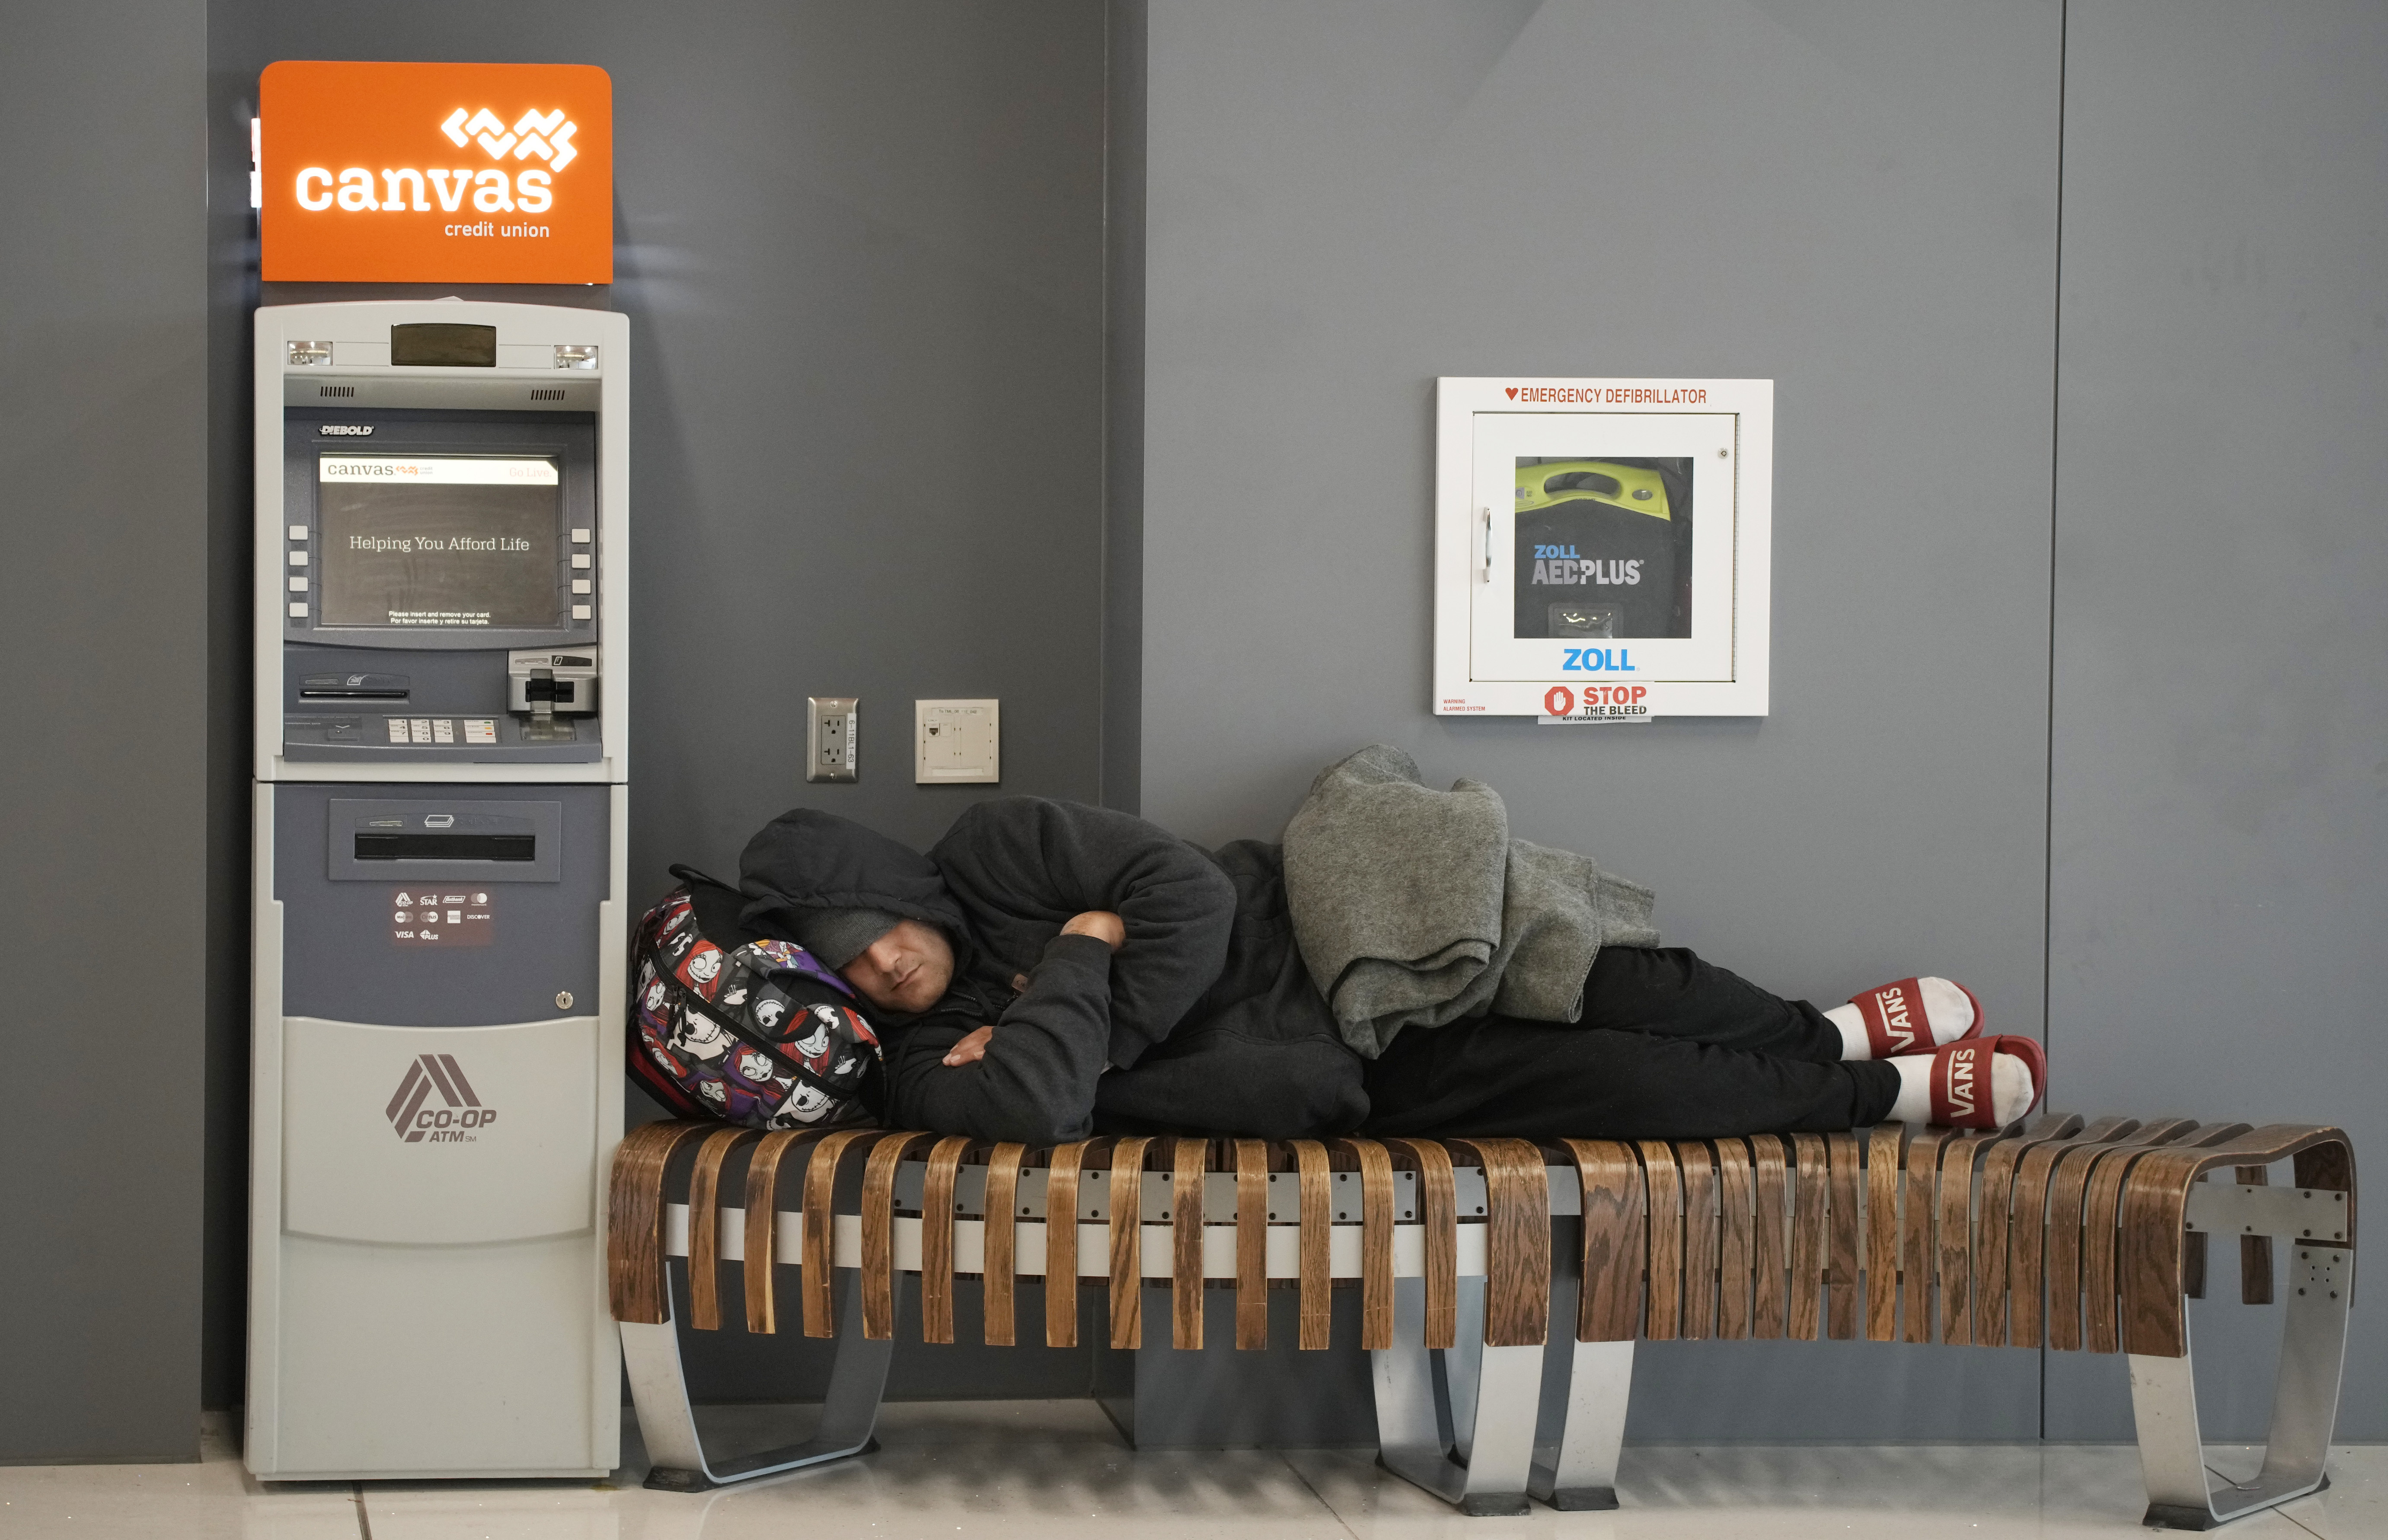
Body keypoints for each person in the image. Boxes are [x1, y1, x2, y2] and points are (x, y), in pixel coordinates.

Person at [736, 797, 2040, 1145]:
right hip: (1344, 1081)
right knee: (1632, 1089)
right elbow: (1025, 1109)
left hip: (1339, 941)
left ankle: (1821, 1035)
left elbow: (1183, 892)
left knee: (1627, 978)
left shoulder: (996, 847)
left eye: (882, 928)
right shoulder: (910, 1058)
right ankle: (1890, 1101)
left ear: (889, 885)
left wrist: (1079, 1035)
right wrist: (1085, 949)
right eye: (858, 967)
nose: (893, 965)